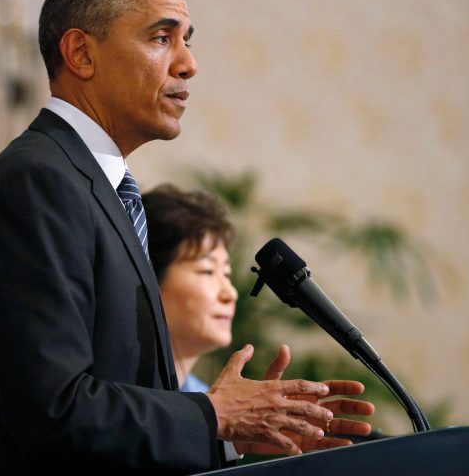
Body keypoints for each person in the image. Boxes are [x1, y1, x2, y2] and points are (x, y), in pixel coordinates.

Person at [0, 0, 368, 474]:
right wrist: (213, 415)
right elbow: (53, 412)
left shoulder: (101, 189)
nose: (188, 64)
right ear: (81, 53)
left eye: (187, 41)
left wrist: (238, 436)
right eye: (162, 38)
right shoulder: (38, 184)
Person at [143, 184, 375, 453]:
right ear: (147, 277)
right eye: (207, 271)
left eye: (226, 275)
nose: (229, 293)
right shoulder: (112, 398)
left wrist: (234, 441)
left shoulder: (202, 394)